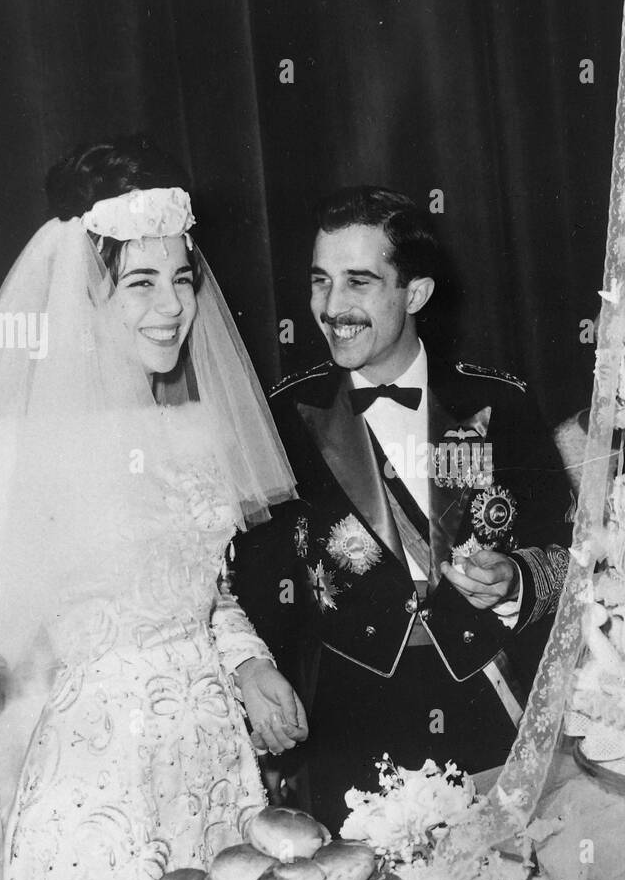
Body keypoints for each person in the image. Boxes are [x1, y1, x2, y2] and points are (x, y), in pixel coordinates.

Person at [0, 136, 305, 880]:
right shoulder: (11, 454)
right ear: (83, 292)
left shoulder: (195, 431)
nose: (172, 306)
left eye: (181, 278)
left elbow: (203, 594)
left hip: (214, 764)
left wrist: (249, 663)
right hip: (97, 790)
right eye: (140, 282)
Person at [234, 187, 571, 831]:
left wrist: (515, 579)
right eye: (321, 282)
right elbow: (248, 587)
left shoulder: (502, 402)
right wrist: (253, 675)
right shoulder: (278, 421)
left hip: (491, 714)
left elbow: (572, 558)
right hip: (346, 732)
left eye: (360, 283)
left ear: (415, 294)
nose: (333, 308)